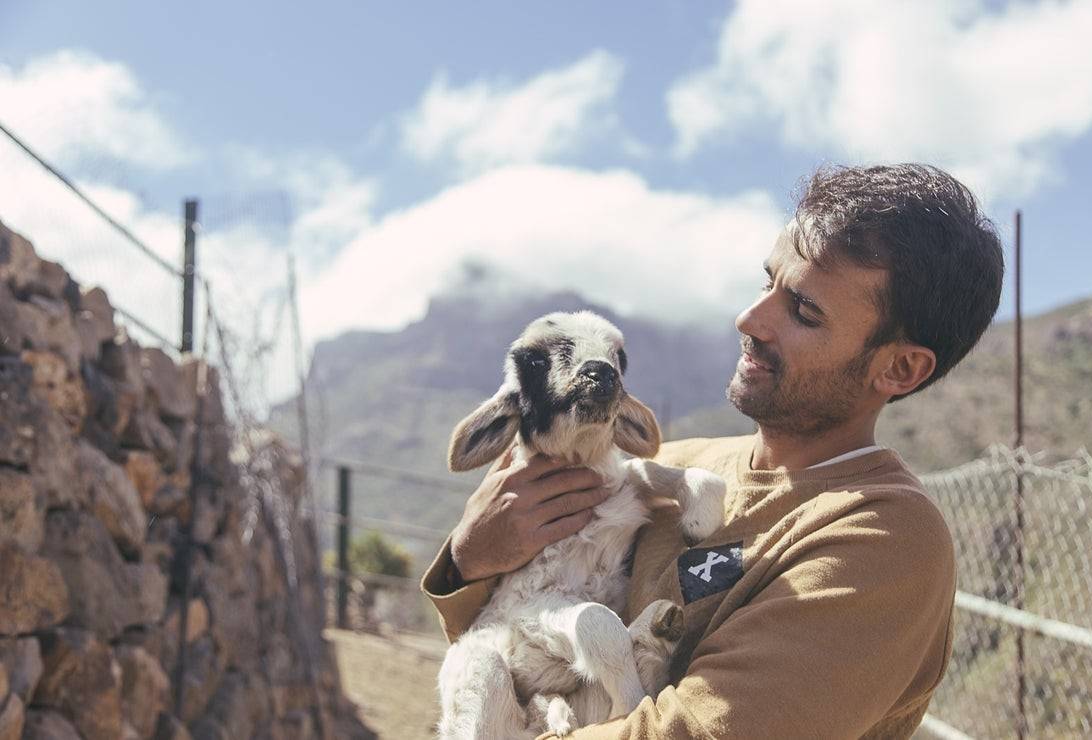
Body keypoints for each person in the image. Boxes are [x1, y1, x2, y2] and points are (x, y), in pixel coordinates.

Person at [421, 163, 1005, 738]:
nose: (750, 320)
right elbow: (512, 638)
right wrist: (470, 561)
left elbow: (699, 731)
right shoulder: (674, 464)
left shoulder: (878, 544)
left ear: (900, 368)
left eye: (804, 311)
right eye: (766, 282)